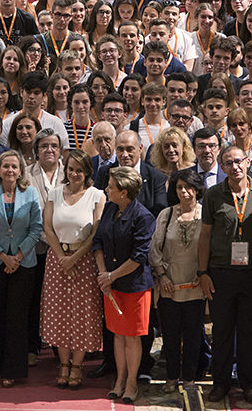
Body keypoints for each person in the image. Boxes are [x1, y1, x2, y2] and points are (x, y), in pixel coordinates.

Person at [197, 145, 252, 403]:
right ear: (222, 166)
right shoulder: (214, 195)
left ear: (248, 162)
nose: (235, 167)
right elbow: (204, 236)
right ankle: (220, 382)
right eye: (228, 163)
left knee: (249, 330)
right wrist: (202, 272)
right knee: (223, 329)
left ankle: (249, 383)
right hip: (221, 272)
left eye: (239, 161)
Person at [40, 149, 105, 389]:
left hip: (84, 261)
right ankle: (64, 364)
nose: (74, 173)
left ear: (88, 171)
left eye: (79, 169)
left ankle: (77, 366)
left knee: (82, 314)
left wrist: (74, 257)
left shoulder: (97, 195)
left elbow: (95, 233)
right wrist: (61, 256)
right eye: (70, 169)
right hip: (56, 260)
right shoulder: (55, 193)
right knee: (58, 313)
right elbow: (47, 227)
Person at [0, 151, 43, 387]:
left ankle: (13, 368)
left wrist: (18, 256)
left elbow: (37, 228)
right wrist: (4, 256)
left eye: (15, 166)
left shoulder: (30, 192)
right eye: (6, 166)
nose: (10, 171)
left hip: (24, 264)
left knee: (17, 317)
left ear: (20, 170)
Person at [93, 166, 155, 404]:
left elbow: (139, 257)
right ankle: (119, 380)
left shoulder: (143, 217)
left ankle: (131, 383)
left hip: (134, 286)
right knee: (118, 335)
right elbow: (98, 241)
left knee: (132, 336)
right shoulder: (110, 209)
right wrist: (103, 275)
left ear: (124, 192)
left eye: (111, 187)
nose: (106, 190)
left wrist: (111, 276)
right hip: (111, 283)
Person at [150, 169, 205, 389]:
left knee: (193, 336)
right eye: (180, 187)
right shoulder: (166, 215)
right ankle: (172, 377)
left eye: (189, 187)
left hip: (196, 285)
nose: (184, 191)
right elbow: (154, 249)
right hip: (169, 286)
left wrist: (204, 274)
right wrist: (162, 275)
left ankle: (190, 378)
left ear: (196, 188)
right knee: (170, 336)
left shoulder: (205, 214)